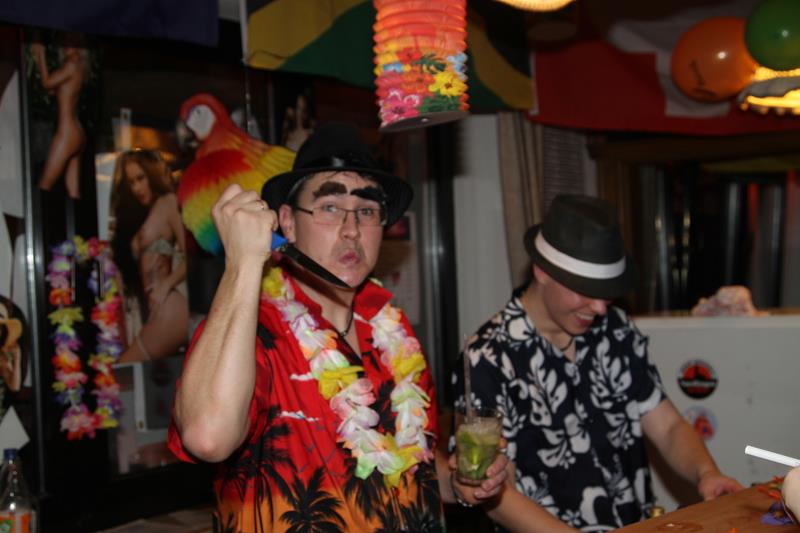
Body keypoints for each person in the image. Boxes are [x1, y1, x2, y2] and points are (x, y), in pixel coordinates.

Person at [168, 122, 509, 532]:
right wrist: (242, 264)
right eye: (330, 207)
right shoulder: (252, 328)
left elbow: (408, 459)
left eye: (366, 211)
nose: (352, 230)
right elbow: (208, 437)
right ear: (287, 222)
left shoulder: (394, 331)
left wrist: (455, 484)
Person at [453, 194, 742, 532]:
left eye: (607, 293)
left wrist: (706, 473)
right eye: (586, 291)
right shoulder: (487, 356)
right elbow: (498, 496)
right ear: (541, 271)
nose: (600, 308)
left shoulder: (615, 329)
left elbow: (667, 426)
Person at [110, 149, 188, 363]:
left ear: (152, 174)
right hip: (153, 310)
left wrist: (165, 286)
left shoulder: (169, 203)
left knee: (124, 368)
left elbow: (190, 256)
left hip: (170, 307)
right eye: (131, 182)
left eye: (140, 178)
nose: (137, 188)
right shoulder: (143, 214)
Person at [29, 35, 88, 199]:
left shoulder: (71, 65)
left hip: (67, 133)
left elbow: (46, 83)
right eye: (65, 42)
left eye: (72, 41)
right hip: (78, 133)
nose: (67, 45)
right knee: (74, 193)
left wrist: (40, 53)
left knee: (43, 186)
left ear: (80, 44)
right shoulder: (79, 66)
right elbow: (53, 90)